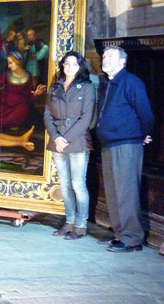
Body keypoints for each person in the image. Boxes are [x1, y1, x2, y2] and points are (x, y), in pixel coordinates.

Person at [96, 45, 154, 253]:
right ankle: (120, 234)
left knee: (126, 192)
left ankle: (132, 239)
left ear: (123, 62)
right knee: (113, 192)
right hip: (109, 145)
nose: (105, 59)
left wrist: (144, 134)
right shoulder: (108, 84)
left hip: (127, 145)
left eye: (110, 56)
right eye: (104, 56)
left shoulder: (131, 82)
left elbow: (146, 113)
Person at [44, 51, 95, 240]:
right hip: (57, 141)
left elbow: (86, 118)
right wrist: (56, 137)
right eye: (66, 63)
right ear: (62, 66)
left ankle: (81, 226)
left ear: (80, 66)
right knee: (64, 185)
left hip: (77, 141)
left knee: (78, 184)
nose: (70, 67)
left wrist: (65, 139)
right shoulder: (55, 86)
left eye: (74, 64)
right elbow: (47, 114)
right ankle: (69, 222)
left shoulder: (87, 87)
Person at [0, 50, 46, 130]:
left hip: (18, 107)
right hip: (3, 104)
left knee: (10, 120)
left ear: (18, 62)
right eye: (8, 63)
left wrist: (35, 94)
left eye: (11, 63)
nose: (8, 66)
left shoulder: (28, 76)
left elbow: (28, 93)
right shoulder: (7, 75)